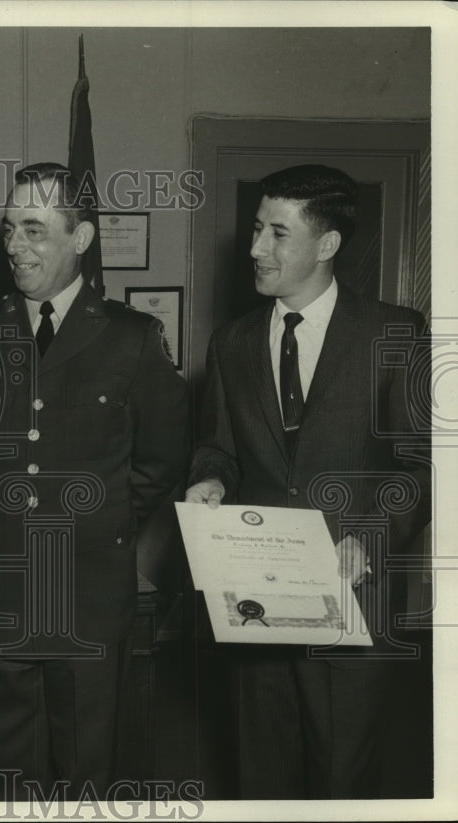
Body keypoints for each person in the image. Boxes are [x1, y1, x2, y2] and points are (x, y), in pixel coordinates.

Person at [0, 162, 190, 797]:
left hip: (90, 591)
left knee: (88, 770)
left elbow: (161, 459)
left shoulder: (134, 338)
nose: (15, 247)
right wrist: (0, 519)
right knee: (1, 771)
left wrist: (95, 521)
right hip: (1, 588)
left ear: (81, 239)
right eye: (9, 229)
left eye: (35, 230)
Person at [185, 164, 431, 799]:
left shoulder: (394, 333)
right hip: (257, 608)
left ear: (327, 246)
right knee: (261, 780)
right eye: (256, 230)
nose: (255, 248)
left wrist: (367, 539)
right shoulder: (231, 341)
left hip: (355, 604)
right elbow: (217, 448)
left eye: (276, 233)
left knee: (343, 783)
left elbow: (420, 469)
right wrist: (208, 481)